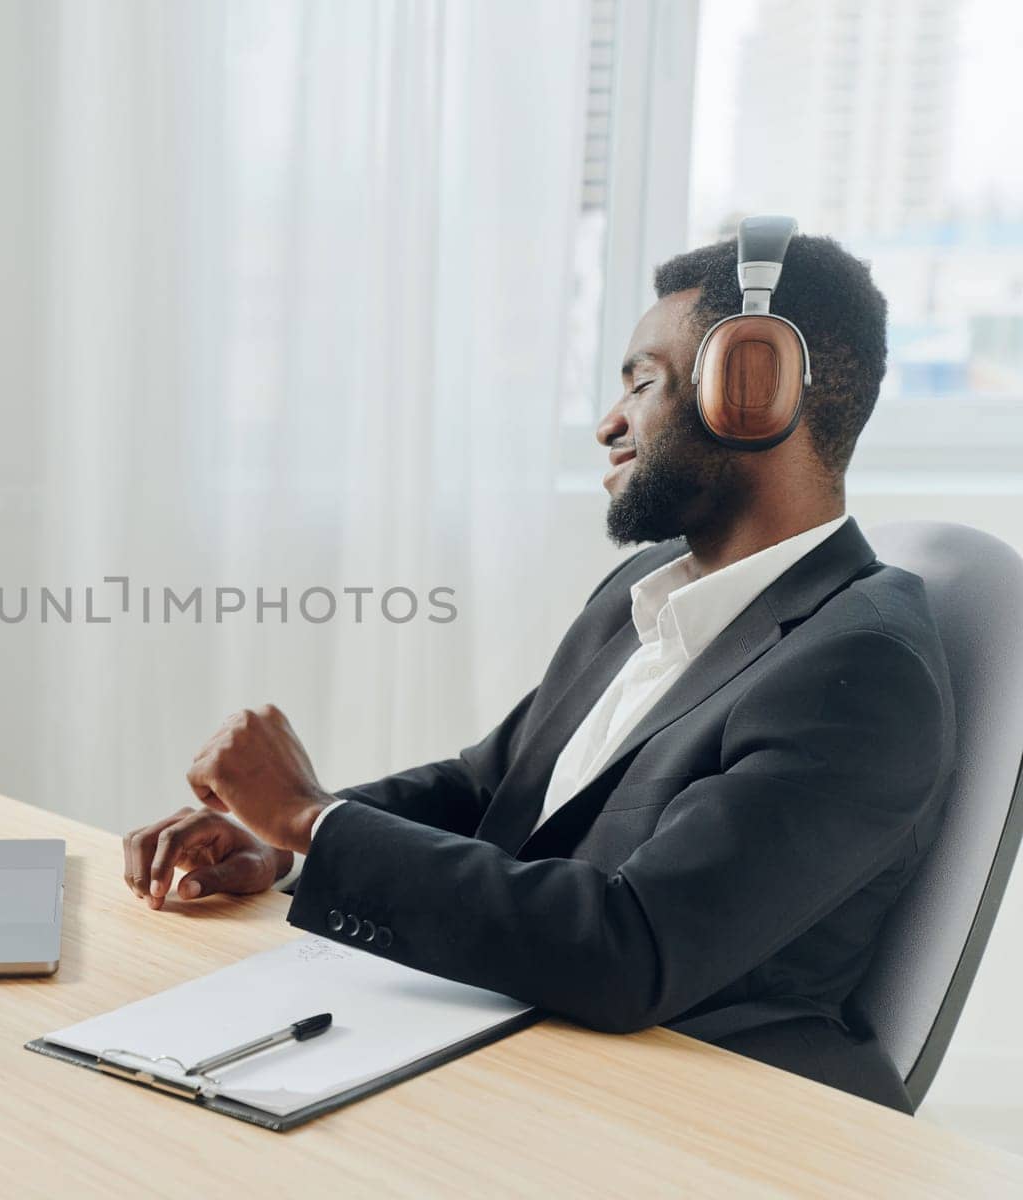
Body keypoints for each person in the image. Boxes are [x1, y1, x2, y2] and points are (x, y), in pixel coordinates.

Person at [120, 231, 954, 1113]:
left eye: (641, 382)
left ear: (752, 392)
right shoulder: (644, 588)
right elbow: (490, 788)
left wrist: (314, 817)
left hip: (674, 1114)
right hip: (518, 1041)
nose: (608, 422)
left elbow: (632, 948)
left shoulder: (863, 673)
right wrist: (284, 847)